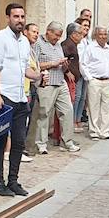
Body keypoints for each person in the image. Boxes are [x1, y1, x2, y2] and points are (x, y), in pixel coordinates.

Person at [0, 3, 34, 196]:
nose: (20, 20)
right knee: (0, 141)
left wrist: (38, 76)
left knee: (19, 142)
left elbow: (25, 69)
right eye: (16, 16)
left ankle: (13, 181)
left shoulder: (24, 42)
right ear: (8, 18)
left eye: (22, 16)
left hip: (21, 98)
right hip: (4, 96)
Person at [29, 21, 79, 153]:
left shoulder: (57, 45)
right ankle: (41, 144)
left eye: (59, 36)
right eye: (56, 35)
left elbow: (60, 63)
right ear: (48, 31)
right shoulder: (38, 43)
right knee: (44, 113)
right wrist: (53, 63)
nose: (57, 38)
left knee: (68, 111)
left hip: (60, 82)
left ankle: (67, 141)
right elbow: (35, 64)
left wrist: (64, 65)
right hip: (46, 83)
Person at [81, 25, 109, 140]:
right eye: (101, 34)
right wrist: (89, 78)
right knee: (94, 107)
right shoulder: (90, 48)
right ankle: (94, 131)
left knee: (108, 107)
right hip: (95, 81)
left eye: (105, 34)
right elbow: (83, 64)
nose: (103, 36)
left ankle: (105, 131)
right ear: (96, 35)